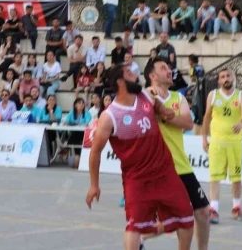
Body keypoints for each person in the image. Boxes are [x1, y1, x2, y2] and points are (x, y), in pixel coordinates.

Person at [86, 64, 194, 250]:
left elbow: (156, 103)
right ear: (120, 82)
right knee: (135, 226)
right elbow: (95, 151)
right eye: (129, 73)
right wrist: (94, 185)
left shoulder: (144, 95)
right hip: (137, 179)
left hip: (165, 173)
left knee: (186, 219)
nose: (135, 75)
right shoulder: (110, 116)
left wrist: (163, 111)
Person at [148, 57, 211, 250]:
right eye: (163, 68)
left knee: (203, 211)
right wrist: (156, 104)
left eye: (169, 67)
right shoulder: (144, 96)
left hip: (182, 166)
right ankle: (136, 237)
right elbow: (146, 111)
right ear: (152, 76)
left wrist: (166, 115)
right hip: (160, 169)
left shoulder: (178, 97)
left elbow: (188, 123)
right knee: (176, 220)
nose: (169, 71)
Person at [202, 68, 242, 224]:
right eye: (222, 77)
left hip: (235, 144)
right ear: (218, 81)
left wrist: (241, 122)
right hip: (217, 143)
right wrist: (204, 138)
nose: (225, 78)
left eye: (228, 75)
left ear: (233, 77)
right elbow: (207, 117)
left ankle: (236, 207)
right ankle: (213, 209)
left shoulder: (241, 95)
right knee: (215, 177)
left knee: (236, 177)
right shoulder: (213, 95)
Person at [64, 97, 91, 168]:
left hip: (84, 134)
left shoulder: (87, 113)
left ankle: (69, 152)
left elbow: (87, 123)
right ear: (75, 105)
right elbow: (66, 122)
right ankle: (77, 156)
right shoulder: (71, 113)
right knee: (75, 135)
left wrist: (74, 124)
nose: (81, 105)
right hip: (73, 132)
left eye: (83, 103)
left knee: (76, 136)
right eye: (79, 103)